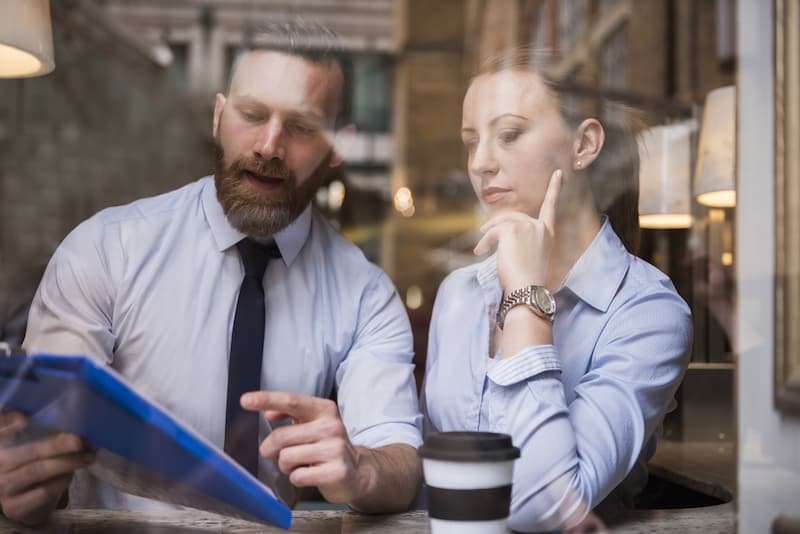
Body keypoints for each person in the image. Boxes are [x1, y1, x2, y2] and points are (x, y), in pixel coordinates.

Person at [0, 22, 422, 526]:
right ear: (220, 116)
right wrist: (22, 481)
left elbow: (400, 461)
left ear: (338, 147)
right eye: (251, 114)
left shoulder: (366, 297)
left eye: (303, 126)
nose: (269, 145)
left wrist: (364, 469)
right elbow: (42, 435)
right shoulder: (105, 252)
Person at [421, 47, 692, 532]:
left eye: (508, 134)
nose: (480, 162)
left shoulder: (648, 312)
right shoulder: (459, 293)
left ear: (584, 145)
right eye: (470, 141)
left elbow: (539, 508)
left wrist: (525, 295)